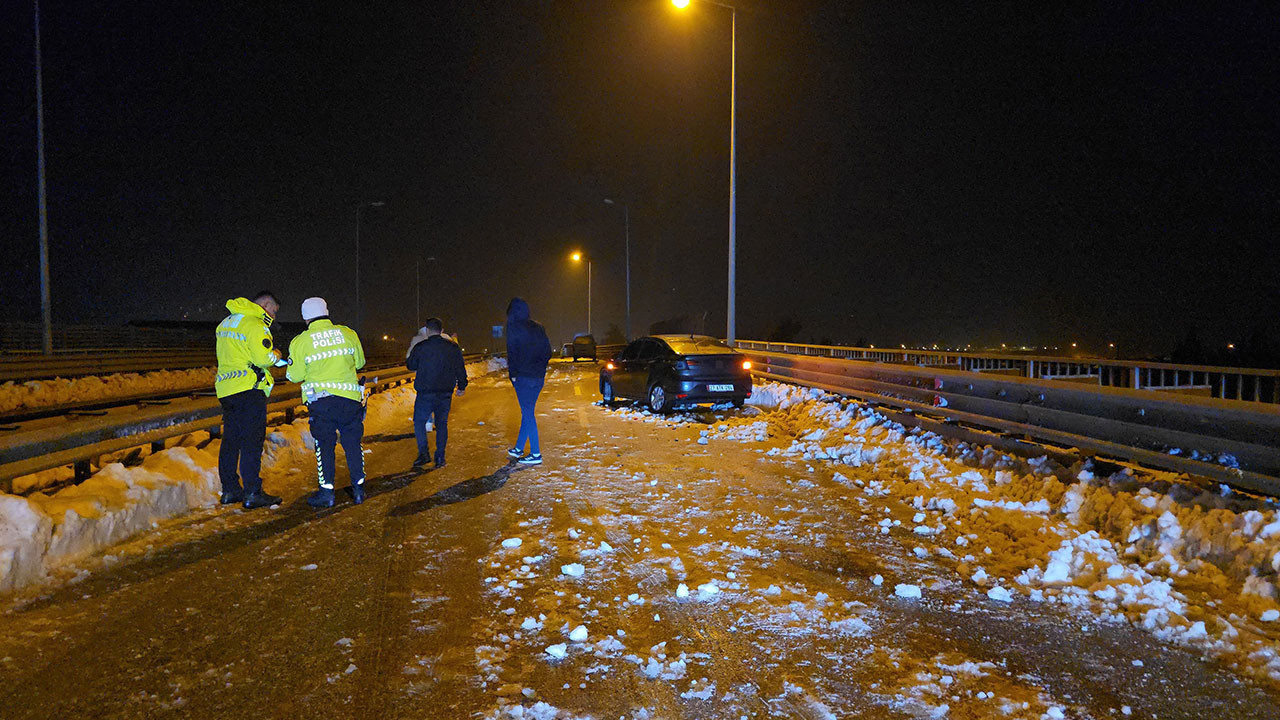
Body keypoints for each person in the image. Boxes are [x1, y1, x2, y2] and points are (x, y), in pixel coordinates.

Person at [286, 297, 367, 508]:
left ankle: (327, 493)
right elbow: (360, 362)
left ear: (305, 318)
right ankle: (359, 489)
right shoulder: (348, 334)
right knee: (352, 444)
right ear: (327, 312)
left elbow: (294, 376)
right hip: (349, 401)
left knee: (324, 446)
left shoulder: (301, 341)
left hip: (321, 404)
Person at [214, 292, 286, 509]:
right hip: (249, 389)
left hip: (227, 389)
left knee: (230, 441)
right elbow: (262, 358)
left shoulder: (225, 324)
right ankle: (252, 492)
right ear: (265, 305)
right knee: (251, 442)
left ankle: (230, 490)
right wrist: (276, 353)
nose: (273, 317)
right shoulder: (255, 324)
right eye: (273, 311)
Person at [406, 317, 468, 468]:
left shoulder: (421, 347)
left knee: (419, 422)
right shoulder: (452, 348)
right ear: (441, 331)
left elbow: (411, 365)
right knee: (441, 424)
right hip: (444, 393)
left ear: (427, 331)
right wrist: (462, 386)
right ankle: (440, 456)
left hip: (425, 393)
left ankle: (423, 454)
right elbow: (460, 368)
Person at [504, 297, 552, 465]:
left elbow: (512, 353)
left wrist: (513, 374)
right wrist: (540, 368)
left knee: (528, 413)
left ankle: (536, 453)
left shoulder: (513, 327)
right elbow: (547, 352)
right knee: (528, 412)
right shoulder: (538, 327)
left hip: (523, 377)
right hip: (538, 377)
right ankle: (518, 448)